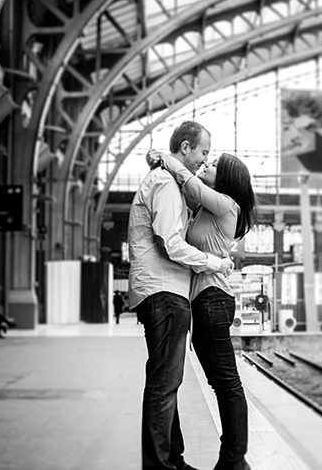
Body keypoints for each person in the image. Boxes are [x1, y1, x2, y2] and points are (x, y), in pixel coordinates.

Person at [128, 121, 233, 470]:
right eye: (204, 151)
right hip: (164, 291)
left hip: (162, 291)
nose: (205, 160)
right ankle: (161, 465)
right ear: (185, 147)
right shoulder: (165, 184)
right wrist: (215, 263)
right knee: (164, 383)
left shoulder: (166, 180)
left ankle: (173, 458)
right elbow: (171, 244)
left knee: (166, 380)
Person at [149, 149, 256, 470]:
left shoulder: (226, 205)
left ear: (226, 179)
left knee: (227, 383)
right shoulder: (206, 209)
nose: (207, 164)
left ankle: (234, 460)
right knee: (222, 383)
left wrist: (167, 158)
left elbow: (189, 182)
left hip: (213, 300)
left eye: (214, 164)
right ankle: (233, 460)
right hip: (204, 302)